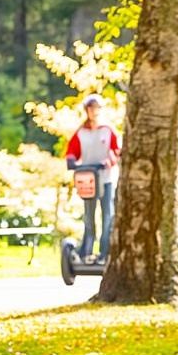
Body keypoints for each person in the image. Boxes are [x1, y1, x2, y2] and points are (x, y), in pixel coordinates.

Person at [64, 93, 121, 263]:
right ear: (86, 110)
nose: (94, 111)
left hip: (106, 178)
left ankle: (105, 250)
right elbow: (72, 150)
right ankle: (86, 249)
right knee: (88, 215)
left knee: (107, 214)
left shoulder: (108, 130)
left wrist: (107, 161)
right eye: (90, 108)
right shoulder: (81, 132)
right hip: (88, 178)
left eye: (96, 108)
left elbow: (117, 150)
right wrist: (71, 160)